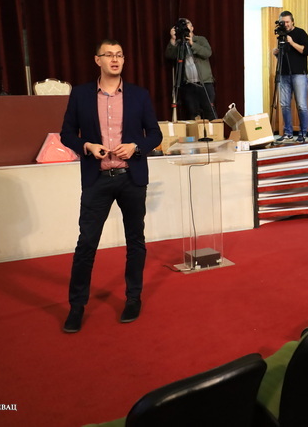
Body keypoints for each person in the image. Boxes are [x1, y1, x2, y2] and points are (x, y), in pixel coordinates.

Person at [60, 39, 162, 333]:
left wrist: (136, 147)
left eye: (119, 55)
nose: (115, 59)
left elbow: (154, 134)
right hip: (97, 179)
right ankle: (76, 306)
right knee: (86, 244)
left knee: (135, 241)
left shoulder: (139, 95)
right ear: (98, 60)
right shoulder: (80, 94)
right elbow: (67, 133)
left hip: (131, 178)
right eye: (109, 55)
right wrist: (87, 146)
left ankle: (133, 298)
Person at [272, 10, 308, 144]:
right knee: (284, 105)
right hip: (284, 74)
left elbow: (307, 51)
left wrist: (292, 42)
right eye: (283, 22)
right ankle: (288, 133)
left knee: (301, 105)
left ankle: (303, 133)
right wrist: (277, 53)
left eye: (287, 22)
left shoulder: (300, 33)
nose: (286, 24)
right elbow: (283, 56)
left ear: (292, 21)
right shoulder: (281, 36)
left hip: (299, 74)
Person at [165, 18, 216, 120]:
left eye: (186, 23)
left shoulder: (200, 40)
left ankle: (214, 130)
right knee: (193, 114)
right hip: (189, 85)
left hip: (205, 83)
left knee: (209, 111)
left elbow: (207, 53)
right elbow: (170, 55)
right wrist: (173, 39)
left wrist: (192, 44)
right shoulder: (179, 43)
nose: (184, 25)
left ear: (192, 28)